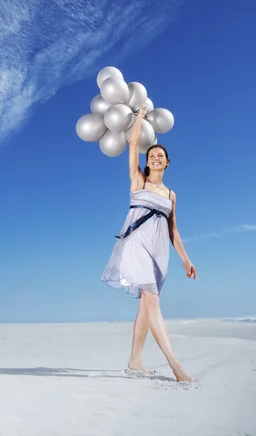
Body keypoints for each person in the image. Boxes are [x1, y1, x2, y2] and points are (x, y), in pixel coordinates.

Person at [101, 103, 197, 382]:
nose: (156, 157)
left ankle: (134, 362)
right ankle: (176, 367)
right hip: (136, 247)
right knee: (153, 303)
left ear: (168, 163)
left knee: (145, 307)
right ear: (147, 161)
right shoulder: (138, 181)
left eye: (161, 155)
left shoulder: (171, 195)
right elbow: (133, 144)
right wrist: (139, 116)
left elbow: (173, 230)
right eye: (152, 154)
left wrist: (186, 259)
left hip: (159, 253)